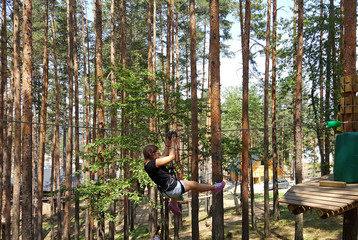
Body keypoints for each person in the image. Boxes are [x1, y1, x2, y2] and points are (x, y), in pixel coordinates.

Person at [143, 132, 225, 216]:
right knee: (194, 184)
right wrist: (173, 144)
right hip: (172, 189)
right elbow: (171, 157)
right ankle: (214, 187)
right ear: (153, 154)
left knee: (182, 182)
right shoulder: (154, 163)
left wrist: (168, 143)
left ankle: (173, 203)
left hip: (165, 190)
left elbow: (164, 155)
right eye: (157, 153)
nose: (159, 154)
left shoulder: (148, 165)